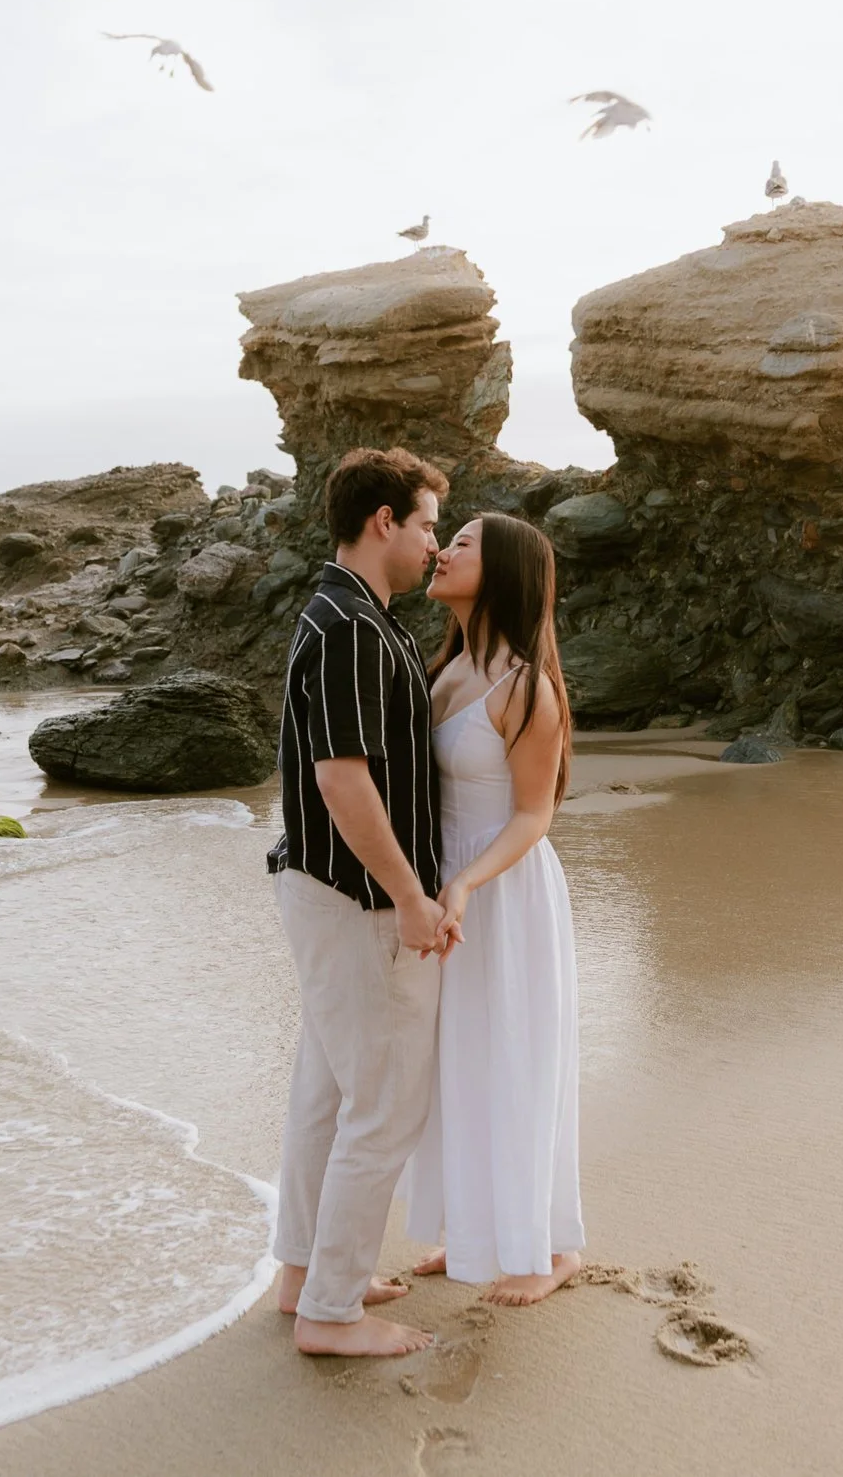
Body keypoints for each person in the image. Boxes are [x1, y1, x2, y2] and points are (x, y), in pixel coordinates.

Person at [265, 446, 459, 1358]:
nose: (430, 544)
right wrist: (412, 898)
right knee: (382, 1104)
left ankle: (304, 1275)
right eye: (425, 525)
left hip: (323, 890)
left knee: (328, 1092)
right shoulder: (348, 626)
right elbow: (343, 781)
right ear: (384, 520)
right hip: (352, 898)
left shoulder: (353, 617)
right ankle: (332, 1312)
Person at [403, 511, 585, 1306]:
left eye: (464, 543)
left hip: (502, 889)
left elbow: (533, 815)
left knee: (515, 1056)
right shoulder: (443, 669)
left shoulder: (526, 686)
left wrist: (467, 882)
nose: (442, 550)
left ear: (503, 570)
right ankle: (476, 1230)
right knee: (454, 1060)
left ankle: (548, 1245)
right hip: (445, 885)